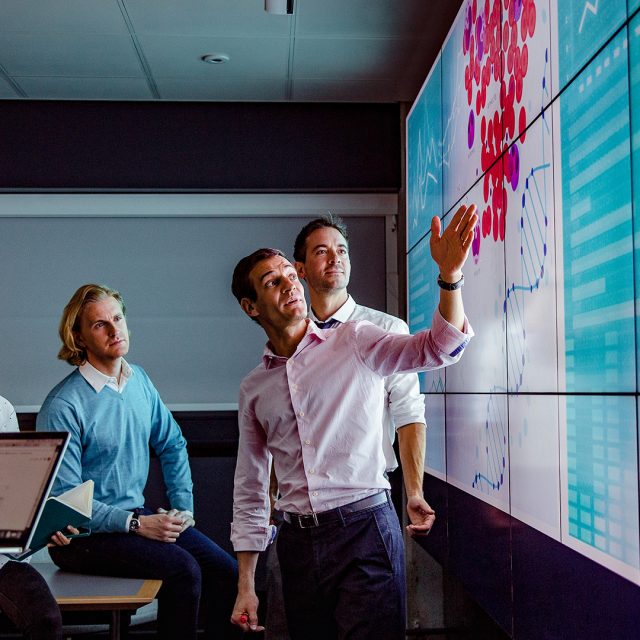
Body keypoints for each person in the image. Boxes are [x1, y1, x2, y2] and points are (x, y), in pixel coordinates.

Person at [229, 204, 477, 640]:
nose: (289, 284)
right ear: (251, 307)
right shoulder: (254, 387)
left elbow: (441, 348)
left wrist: (450, 277)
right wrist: (246, 585)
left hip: (364, 532)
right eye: (273, 281)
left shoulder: (358, 338)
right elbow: (250, 489)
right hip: (296, 544)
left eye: (289, 275)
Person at [36, 284, 239, 640]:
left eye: (118, 318)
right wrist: (135, 524)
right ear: (79, 338)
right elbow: (68, 502)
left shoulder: (138, 381)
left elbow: (173, 442)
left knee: (226, 572)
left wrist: (183, 509)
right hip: (82, 540)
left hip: (135, 518)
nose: (115, 330)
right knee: (185, 571)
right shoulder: (63, 406)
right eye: (100, 325)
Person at [293, 214, 434, 534]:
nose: (335, 258)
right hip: (299, 517)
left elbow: (409, 414)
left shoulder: (386, 330)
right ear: (300, 269)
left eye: (342, 250)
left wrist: (414, 492)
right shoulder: (291, 341)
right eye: (321, 251)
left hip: (365, 512)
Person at [0, 395, 74, 640]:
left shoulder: (2, 409)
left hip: (2, 558)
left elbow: (13, 494)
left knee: (45, 618)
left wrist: (41, 529)